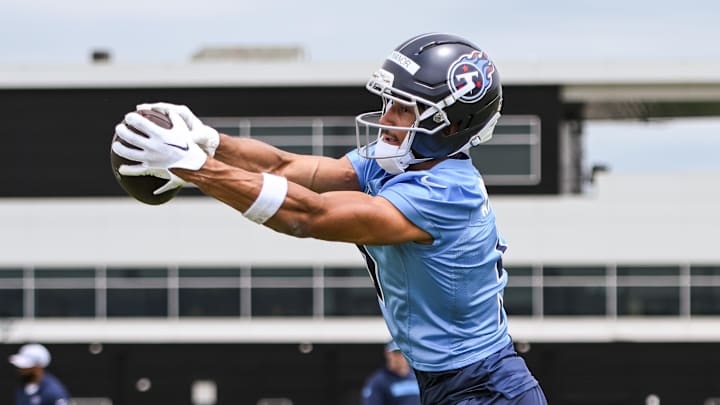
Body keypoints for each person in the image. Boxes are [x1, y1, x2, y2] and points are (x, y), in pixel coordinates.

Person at [111, 32, 547, 404]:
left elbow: (309, 215)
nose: (386, 119)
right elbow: (286, 167)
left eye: (404, 109)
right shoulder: (401, 161)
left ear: (451, 125)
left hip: (486, 388)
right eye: (389, 102)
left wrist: (196, 168)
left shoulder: (448, 191)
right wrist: (209, 143)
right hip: (453, 381)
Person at [362, 341, 421, 405]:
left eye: (403, 353)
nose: (400, 357)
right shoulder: (378, 381)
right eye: (396, 353)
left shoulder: (417, 377)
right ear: (387, 354)